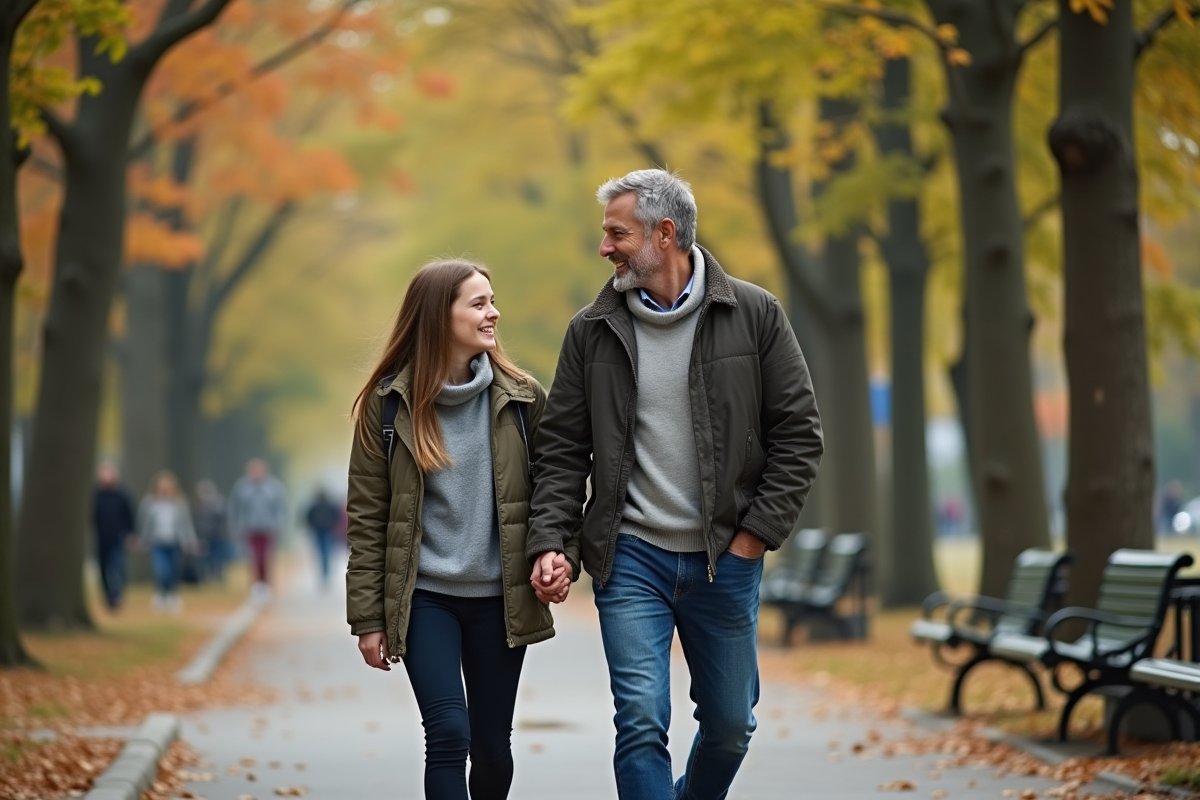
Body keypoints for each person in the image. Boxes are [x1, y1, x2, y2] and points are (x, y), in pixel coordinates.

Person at [525, 169, 823, 800]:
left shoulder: (756, 314)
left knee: (730, 727)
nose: (604, 247)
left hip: (725, 557)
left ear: (665, 234)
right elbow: (560, 452)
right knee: (639, 722)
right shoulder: (591, 330)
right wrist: (550, 541)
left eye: (617, 233)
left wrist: (753, 538)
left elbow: (799, 436)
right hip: (630, 557)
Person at [346, 259, 573, 800]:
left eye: (492, 301)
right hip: (426, 600)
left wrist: (557, 553)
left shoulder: (522, 399)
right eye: (478, 303)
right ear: (437, 316)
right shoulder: (386, 407)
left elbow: (556, 491)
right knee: (448, 734)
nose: (493, 313)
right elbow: (368, 518)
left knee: (492, 746)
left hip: (500, 597)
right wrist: (367, 619)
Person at [138, 470, 198, 613]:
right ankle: (160, 594)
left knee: (174, 570)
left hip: (175, 542)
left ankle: (173, 595)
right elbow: (144, 524)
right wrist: (143, 540)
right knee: (161, 570)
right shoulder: (149, 503)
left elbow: (186, 524)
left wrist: (191, 541)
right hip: (158, 543)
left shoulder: (179, 503)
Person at [228, 458, 288, 600]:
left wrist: (279, 524)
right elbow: (235, 507)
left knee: (265, 558)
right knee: (252, 558)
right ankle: (256, 586)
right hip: (249, 529)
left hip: (268, 529)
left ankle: (266, 585)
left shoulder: (274, 486)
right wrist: (235, 525)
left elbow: (281, 507)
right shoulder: (242, 487)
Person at [93, 462, 136, 611]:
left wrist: (130, 534)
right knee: (103, 568)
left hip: (118, 537)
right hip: (101, 537)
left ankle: (116, 595)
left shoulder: (122, 495)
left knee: (117, 567)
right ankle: (108, 596)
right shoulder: (96, 495)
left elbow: (129, 516)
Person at [304, 487, 342, 588]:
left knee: (321, 552)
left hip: (319, 531)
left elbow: (308, 517)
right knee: (326, 551)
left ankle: (324, 573)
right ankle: (326, 573)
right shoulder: (330, 505)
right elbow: (338, 516)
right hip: (328, 530)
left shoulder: (314, 506)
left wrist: (312, 525)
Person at [193, 479, 230, 583]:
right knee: (205, 559)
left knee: (219, 558)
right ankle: (207, 578)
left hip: (218, 536)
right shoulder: (198, 506)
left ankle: (219, 577)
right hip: (205, 537)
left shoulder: (219, 502)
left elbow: (223, 518)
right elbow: (197, 522)